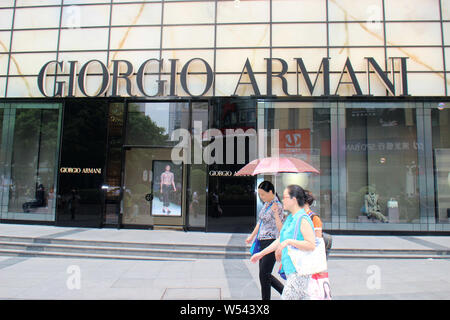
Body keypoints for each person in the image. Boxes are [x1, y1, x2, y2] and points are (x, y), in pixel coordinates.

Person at [251, 184, 316, 300]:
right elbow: (281, 239)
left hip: (299, 273)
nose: (282, 199)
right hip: (291, 272)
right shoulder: (291, 218)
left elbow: (311, 245)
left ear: (294, 200)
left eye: (285, 197)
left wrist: (288, 242)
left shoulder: (303, 219)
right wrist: (261, 254)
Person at [246, 181, 285, 300]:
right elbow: (260, 222)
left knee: (264, 274)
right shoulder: (266, 204)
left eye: (263, 194)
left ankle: (284, 293)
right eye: (260, 194)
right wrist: (252, 236)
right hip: (262, 241)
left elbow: (281, 229)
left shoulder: (277, 206)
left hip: (272, 241)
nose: (261, 197)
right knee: (264, 275)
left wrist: (276, 213)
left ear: (271, 192)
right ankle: (287, 293)